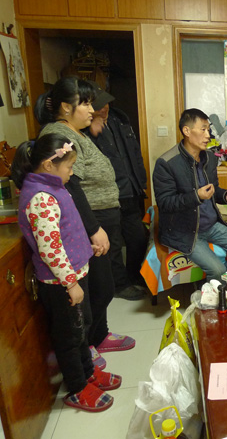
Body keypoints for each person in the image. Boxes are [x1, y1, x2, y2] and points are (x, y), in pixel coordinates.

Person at [12, 134, 122, 412]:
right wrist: (71, 284)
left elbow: (67, 230)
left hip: (73, 274)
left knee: (81, 329)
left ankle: (88, 373)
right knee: (70, 336)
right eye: (69, 167)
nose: (72, 173)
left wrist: (85, 248)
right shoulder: (41, 197)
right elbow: (51, 249)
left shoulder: (55, 187)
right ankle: (77, 387)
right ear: (49, 165)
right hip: (60, 282)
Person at [34, 76, 135, 370]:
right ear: (66, 107)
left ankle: (100, 335)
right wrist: (93, 229)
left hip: (101, 216)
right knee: (97, 289)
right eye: (86, 103)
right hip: (90, 220)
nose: (92, 109)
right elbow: (71, 186)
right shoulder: (59, 135)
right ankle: (89, 343)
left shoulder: (75, 132)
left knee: (103, 286)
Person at [153, 108, 227, 281]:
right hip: (184, 230)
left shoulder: (209, 158)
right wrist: (196, 196)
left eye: (209, 130)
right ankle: (217, 287)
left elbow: (213, 190)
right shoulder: (167, 163)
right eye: (203, 129)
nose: (208, 135)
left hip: (211, 224)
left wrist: (226, 195)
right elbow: (165, 203)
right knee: (217, 269)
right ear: (186, 131)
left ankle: (216, 287)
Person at [85, 85, 148, 300]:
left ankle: (135, 275)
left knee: (137, 237)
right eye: (99, 105)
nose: (104, 108)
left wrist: (141, 180)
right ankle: (119, 285)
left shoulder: (119, 119)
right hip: (107, 196)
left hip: (130, 189)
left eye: (106, 103)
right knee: (112, 243)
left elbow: (134, 153)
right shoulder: (84, 129)